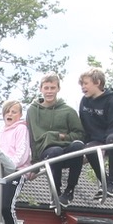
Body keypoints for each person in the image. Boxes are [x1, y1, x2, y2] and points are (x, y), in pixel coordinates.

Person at [26, 73, 86, 205]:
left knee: (78, 145)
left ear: (58, 89)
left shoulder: (68, 111)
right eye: (46, 88)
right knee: (55, 151)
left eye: (52, 88)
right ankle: (56, 191)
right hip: (46, 151)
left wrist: (61, 136)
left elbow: (80, 134)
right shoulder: (32, 111)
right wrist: (34, 165)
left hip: (66, 149)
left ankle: (69, 190)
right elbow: (31, 138)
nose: (49, 91)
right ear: (41, 89)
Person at [77, 68, 113, 198]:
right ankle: (105, 183)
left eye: (86, 83)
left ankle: (112, 182)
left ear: (97, 83)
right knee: (89, 149)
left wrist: (103, 145)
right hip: (98, 140)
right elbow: (84, 125)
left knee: (111, 140)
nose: (83, 87)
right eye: (82, 84)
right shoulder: (84, 101)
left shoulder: (111, 100)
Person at [0, 100, 31, 224]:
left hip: (15, 171)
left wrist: (10, 166)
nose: (10, 114)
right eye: (7, 111)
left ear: (20, 115)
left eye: (14, 112)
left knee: (6, 206)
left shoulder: (21, 129)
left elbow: (22, 152)